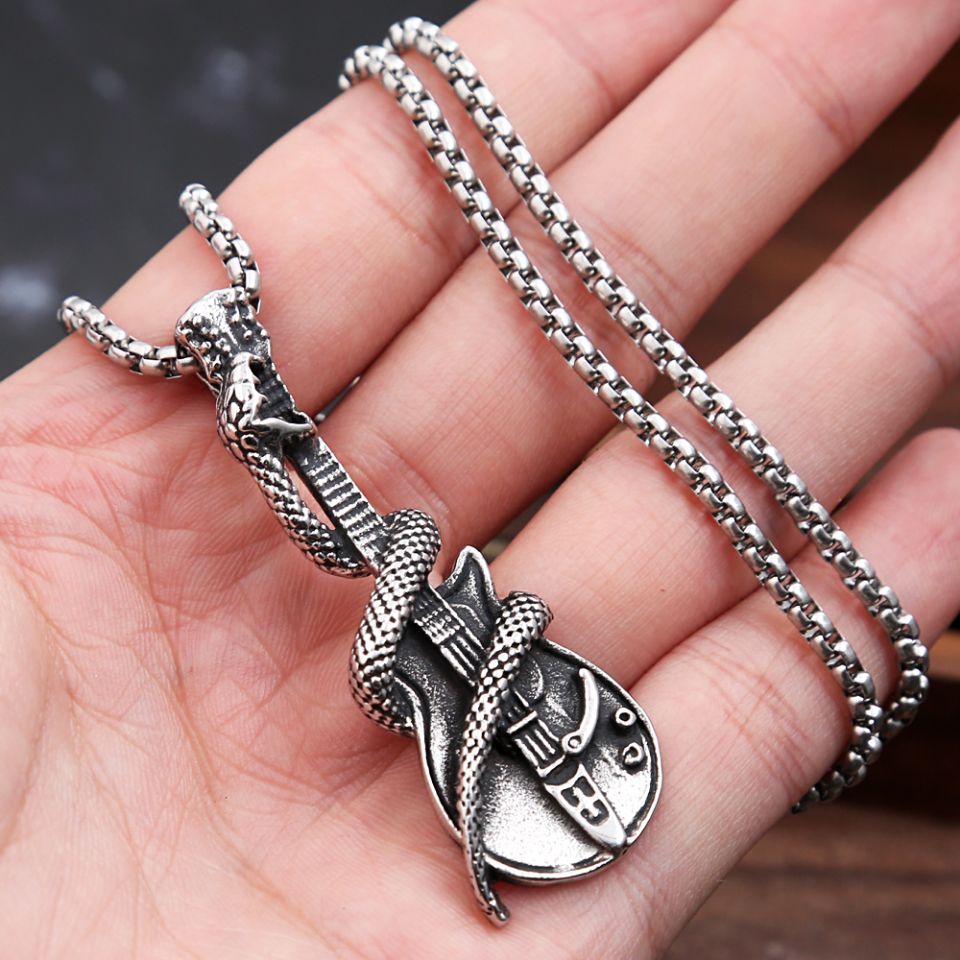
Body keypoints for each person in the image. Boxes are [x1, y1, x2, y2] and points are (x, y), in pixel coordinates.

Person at [1, 0, 959, 955]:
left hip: (501, 673)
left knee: (428, 557)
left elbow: (394, 554)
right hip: (464, 722)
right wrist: (261, 438)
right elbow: (376, 651)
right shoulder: (264, 450)